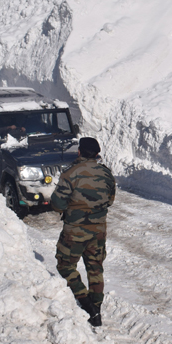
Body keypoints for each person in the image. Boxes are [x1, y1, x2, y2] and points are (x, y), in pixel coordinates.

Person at [51, 137, 116, 327]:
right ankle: (97, 309)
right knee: (95, 268)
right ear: (96, 154)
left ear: (79, 152)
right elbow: (110, 200)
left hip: (75, 230)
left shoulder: (70, 173)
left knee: (65, 265)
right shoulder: (106, 174)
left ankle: (87, 304)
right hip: (98, 230)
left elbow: (57, 204)